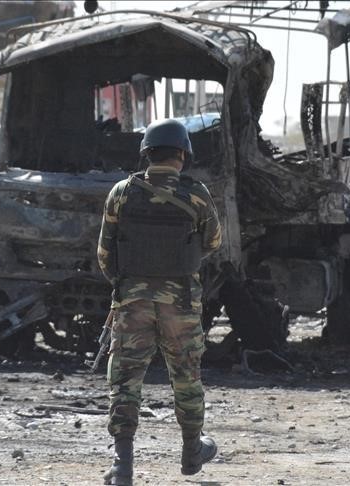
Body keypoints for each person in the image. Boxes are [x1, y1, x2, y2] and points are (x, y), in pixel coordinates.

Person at [97, 118, 222, 485]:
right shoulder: (196, 193)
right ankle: (192, 453)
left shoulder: (121, 192)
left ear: (146, 154)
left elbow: (105, 254)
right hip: (180, 303)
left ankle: (122, 465)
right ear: (182, 154)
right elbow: (213, 242)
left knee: (125, 379)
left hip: (131, 302)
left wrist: (129, 285)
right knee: (186, 375)